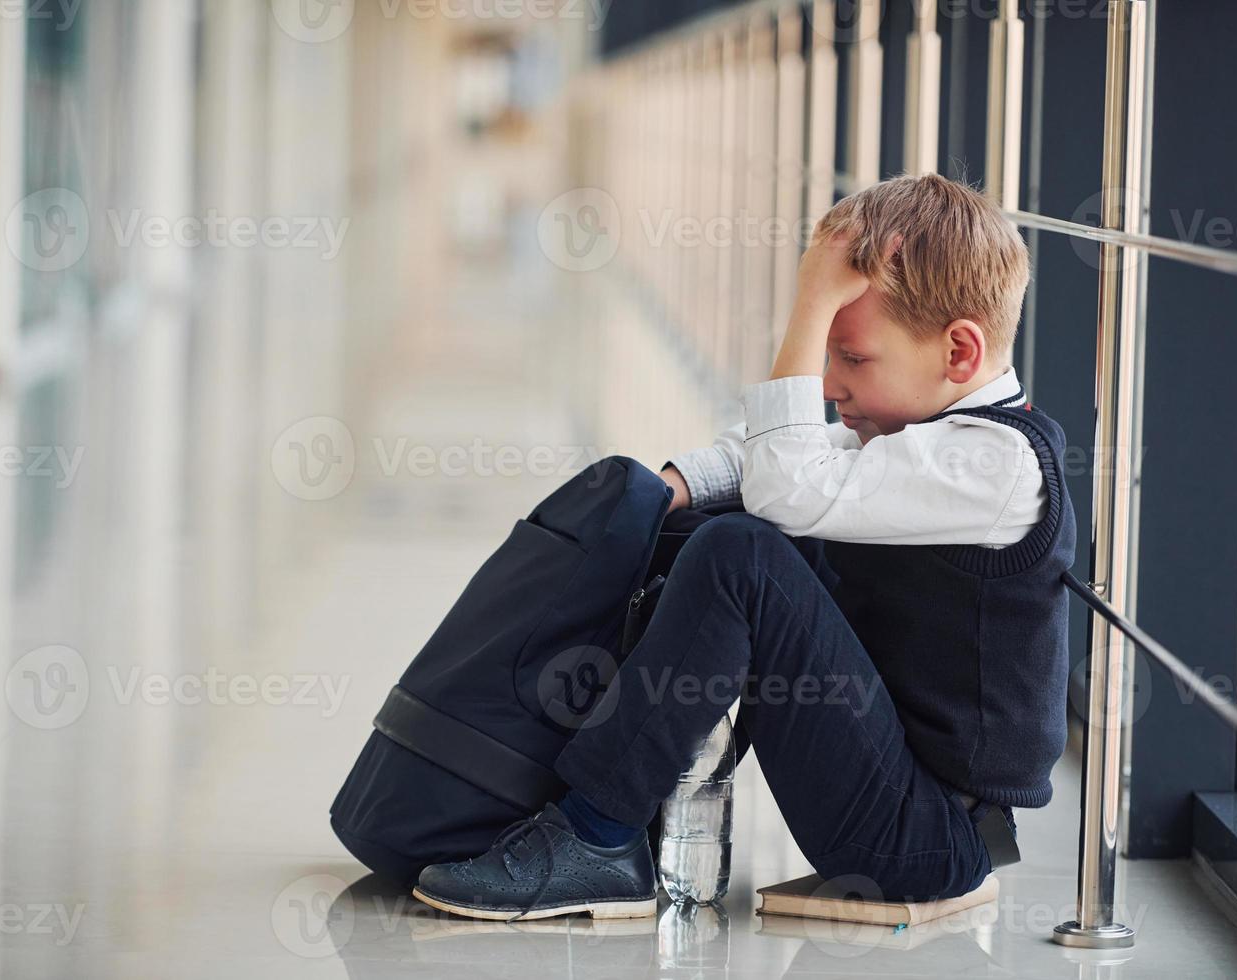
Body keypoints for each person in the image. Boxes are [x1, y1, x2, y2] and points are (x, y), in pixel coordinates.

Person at [410, 173, 1076, 922]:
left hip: (924, 839)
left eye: (850, 358)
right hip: (898, 788)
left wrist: (812, 300)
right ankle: (591, 794)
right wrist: (663, 490)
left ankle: (598, 834)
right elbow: (774, 459)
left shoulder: (995, 464)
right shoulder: (922, 435)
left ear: (959, 352)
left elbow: (787, 481)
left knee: (743, 556)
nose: (828, 383)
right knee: (715, 529)